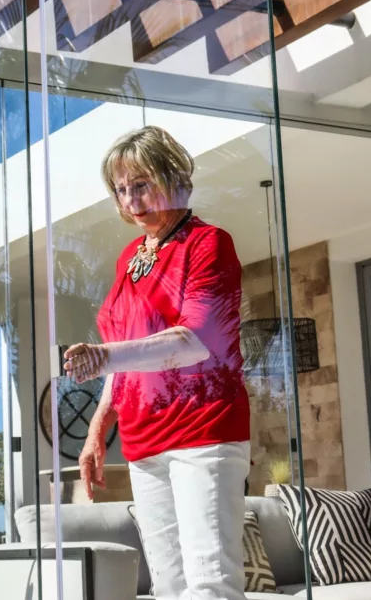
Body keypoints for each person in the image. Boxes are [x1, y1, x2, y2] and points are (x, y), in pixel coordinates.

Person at [64, 126, 250, 600]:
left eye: (140, 184)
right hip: (143, 440)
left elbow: (195, 340)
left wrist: (103, 356)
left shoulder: (208, 244)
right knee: (169, 586)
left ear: (172, 177)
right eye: (121, 189)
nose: (130, 200)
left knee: (210, 584)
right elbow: (129, 358)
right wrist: (95, 431)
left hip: (203, 430)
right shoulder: (131, 257)